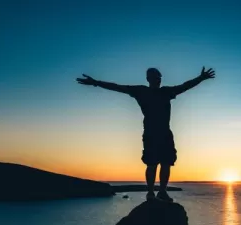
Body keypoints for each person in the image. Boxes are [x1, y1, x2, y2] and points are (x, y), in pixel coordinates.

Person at [76, 66, 216, 201]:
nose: (158, 80)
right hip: (150, 133)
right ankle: (150, 192)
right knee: (152, 164)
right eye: (155, 77)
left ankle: (162, 191)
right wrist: (96, 83)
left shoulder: (166, 92)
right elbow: (117, 87)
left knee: (166, 163)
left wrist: (201, 78)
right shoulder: (141, 91)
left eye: (159, 77)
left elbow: (185, 86)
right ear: (149, 79)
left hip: (165, 133)